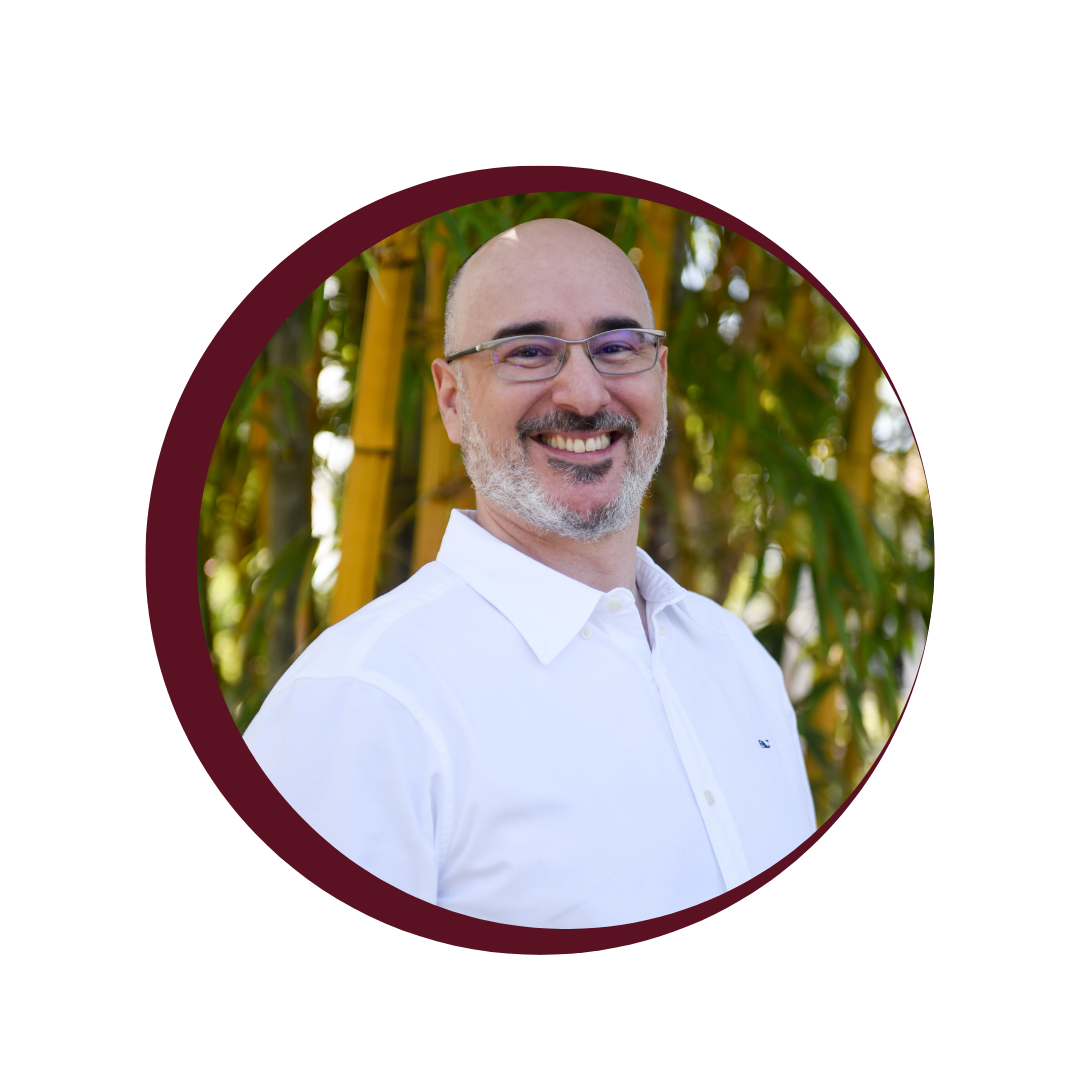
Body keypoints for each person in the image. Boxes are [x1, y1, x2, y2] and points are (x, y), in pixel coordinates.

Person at [243, 218, 815, 929]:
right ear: (452, 399)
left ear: (660, 376)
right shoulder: (362, 703)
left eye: (617, 347)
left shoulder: (736, 659)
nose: (583, 392)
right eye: (529, 351)